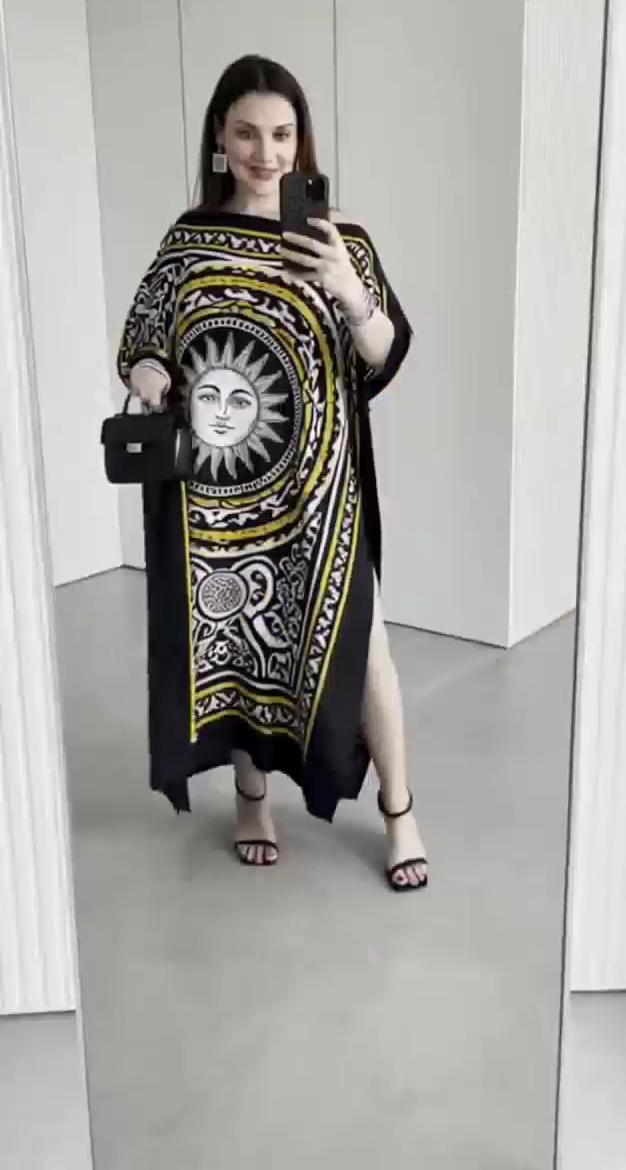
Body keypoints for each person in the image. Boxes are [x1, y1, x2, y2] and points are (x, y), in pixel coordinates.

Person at [118, 54, 427, 892]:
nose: (266, 152)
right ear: (221, 137)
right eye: (248, 133)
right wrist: (148, 373)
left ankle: (400, 812)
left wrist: (348, 291)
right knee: (236, 649)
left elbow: (384, 352)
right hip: (217, 500)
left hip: (319, 490)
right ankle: (251, 798)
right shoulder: (189, 240)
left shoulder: (339, 238)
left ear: (302, 140)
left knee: (365, 648)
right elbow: (146, 336)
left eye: (282, 134)